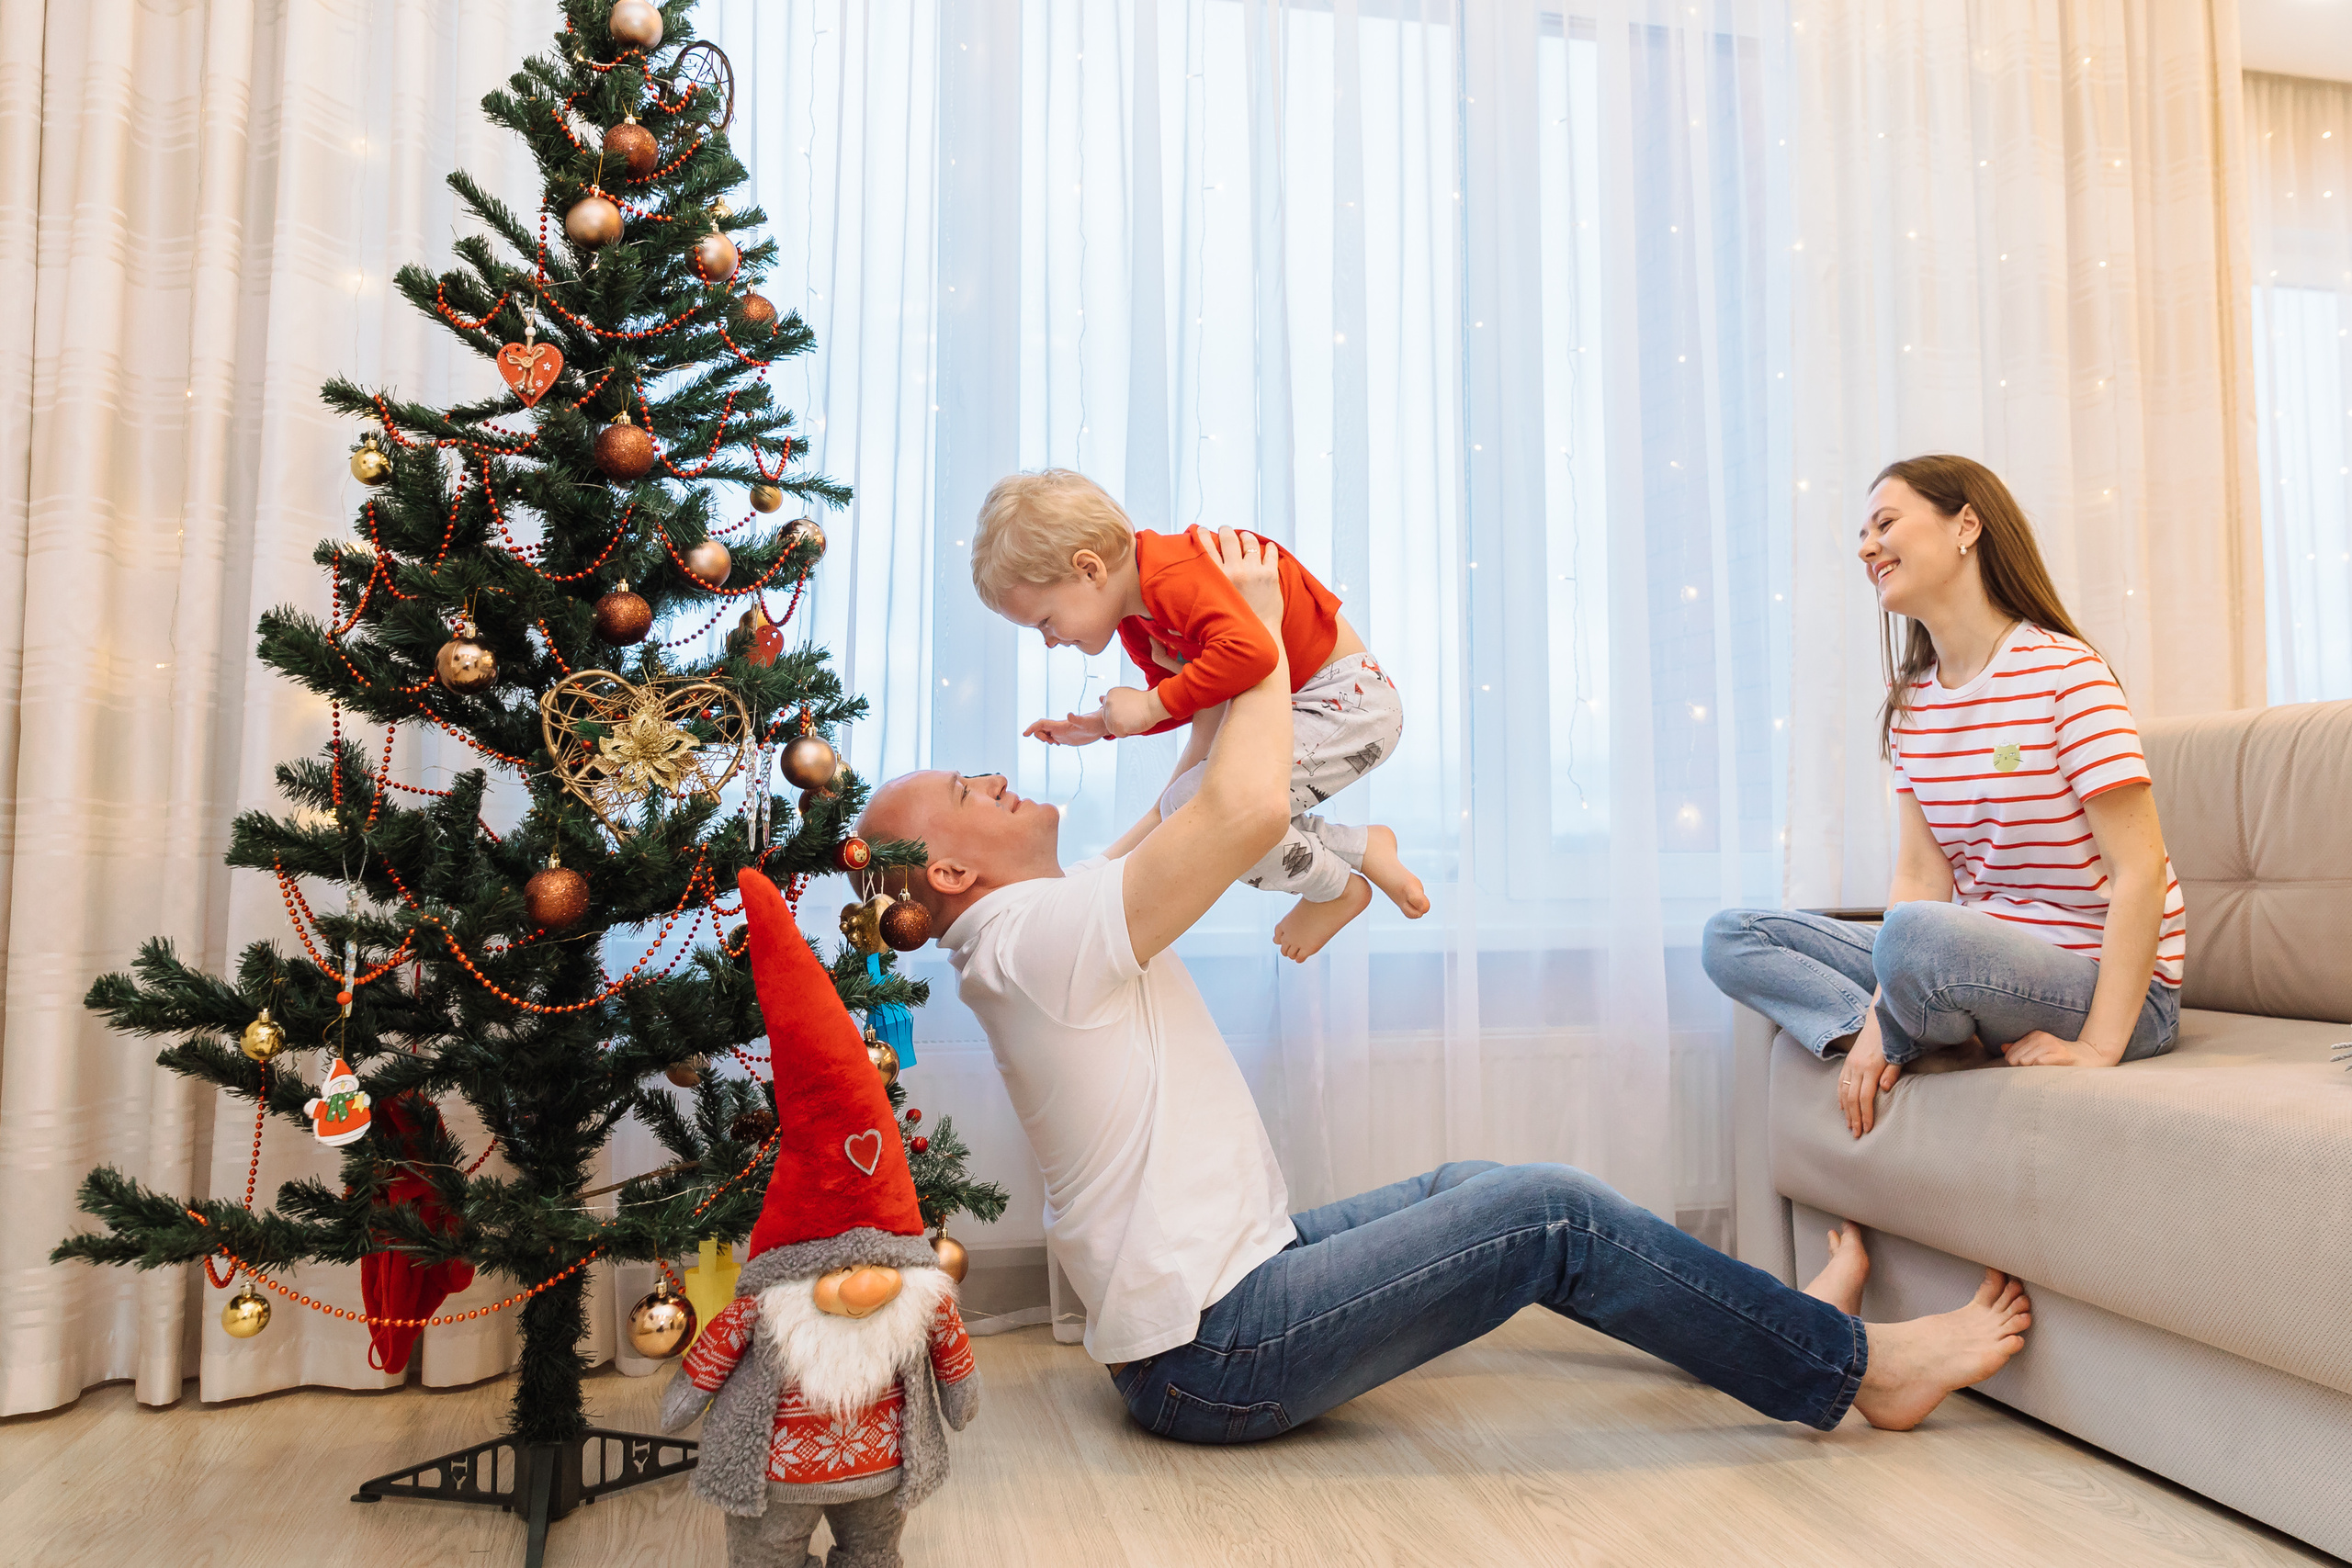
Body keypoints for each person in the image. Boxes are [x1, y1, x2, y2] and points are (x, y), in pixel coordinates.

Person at [854, 525, 2033, 1445]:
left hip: (1234, 1285)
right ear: (951, 866)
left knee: (1487, 1184)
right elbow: (1248, 808)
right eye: (970, 787)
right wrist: (1257, 645)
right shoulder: (1030, 938)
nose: (996, 776)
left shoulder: (1036, 922)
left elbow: (1185, 806)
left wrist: (1213, 686)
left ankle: (1786, 1333)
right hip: (1217, 1355)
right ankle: (1857, 1371)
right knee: (1547, 1214)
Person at [1702, 454, 2185, 1139]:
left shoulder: (2066, 674)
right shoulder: (1914, 707)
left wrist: (2099, 1048)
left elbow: (2141, 871)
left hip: (2106, 984)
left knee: (1913, 937)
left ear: (1966, 525)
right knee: (1733, 936)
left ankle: (1924, 1034)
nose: (1867, 547)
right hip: (1974, 966)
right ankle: (1927, 1043)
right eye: (1863, 535)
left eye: (1885, 523)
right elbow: (1922, 874)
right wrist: (1873, 1025)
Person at [970, 468, 1427, 961]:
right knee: (1193, 806)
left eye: (1045, 621)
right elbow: (1190, 692)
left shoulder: (1174, 576)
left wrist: (1147, 705)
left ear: (1090, 569)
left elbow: (1253, 654)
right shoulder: (1138, 621)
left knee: (1201, 808)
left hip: (1349, 704)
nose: (1050, 641)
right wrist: (1101, 724)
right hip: (1310, 703)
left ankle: (1333, 889)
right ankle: (1358, 848)